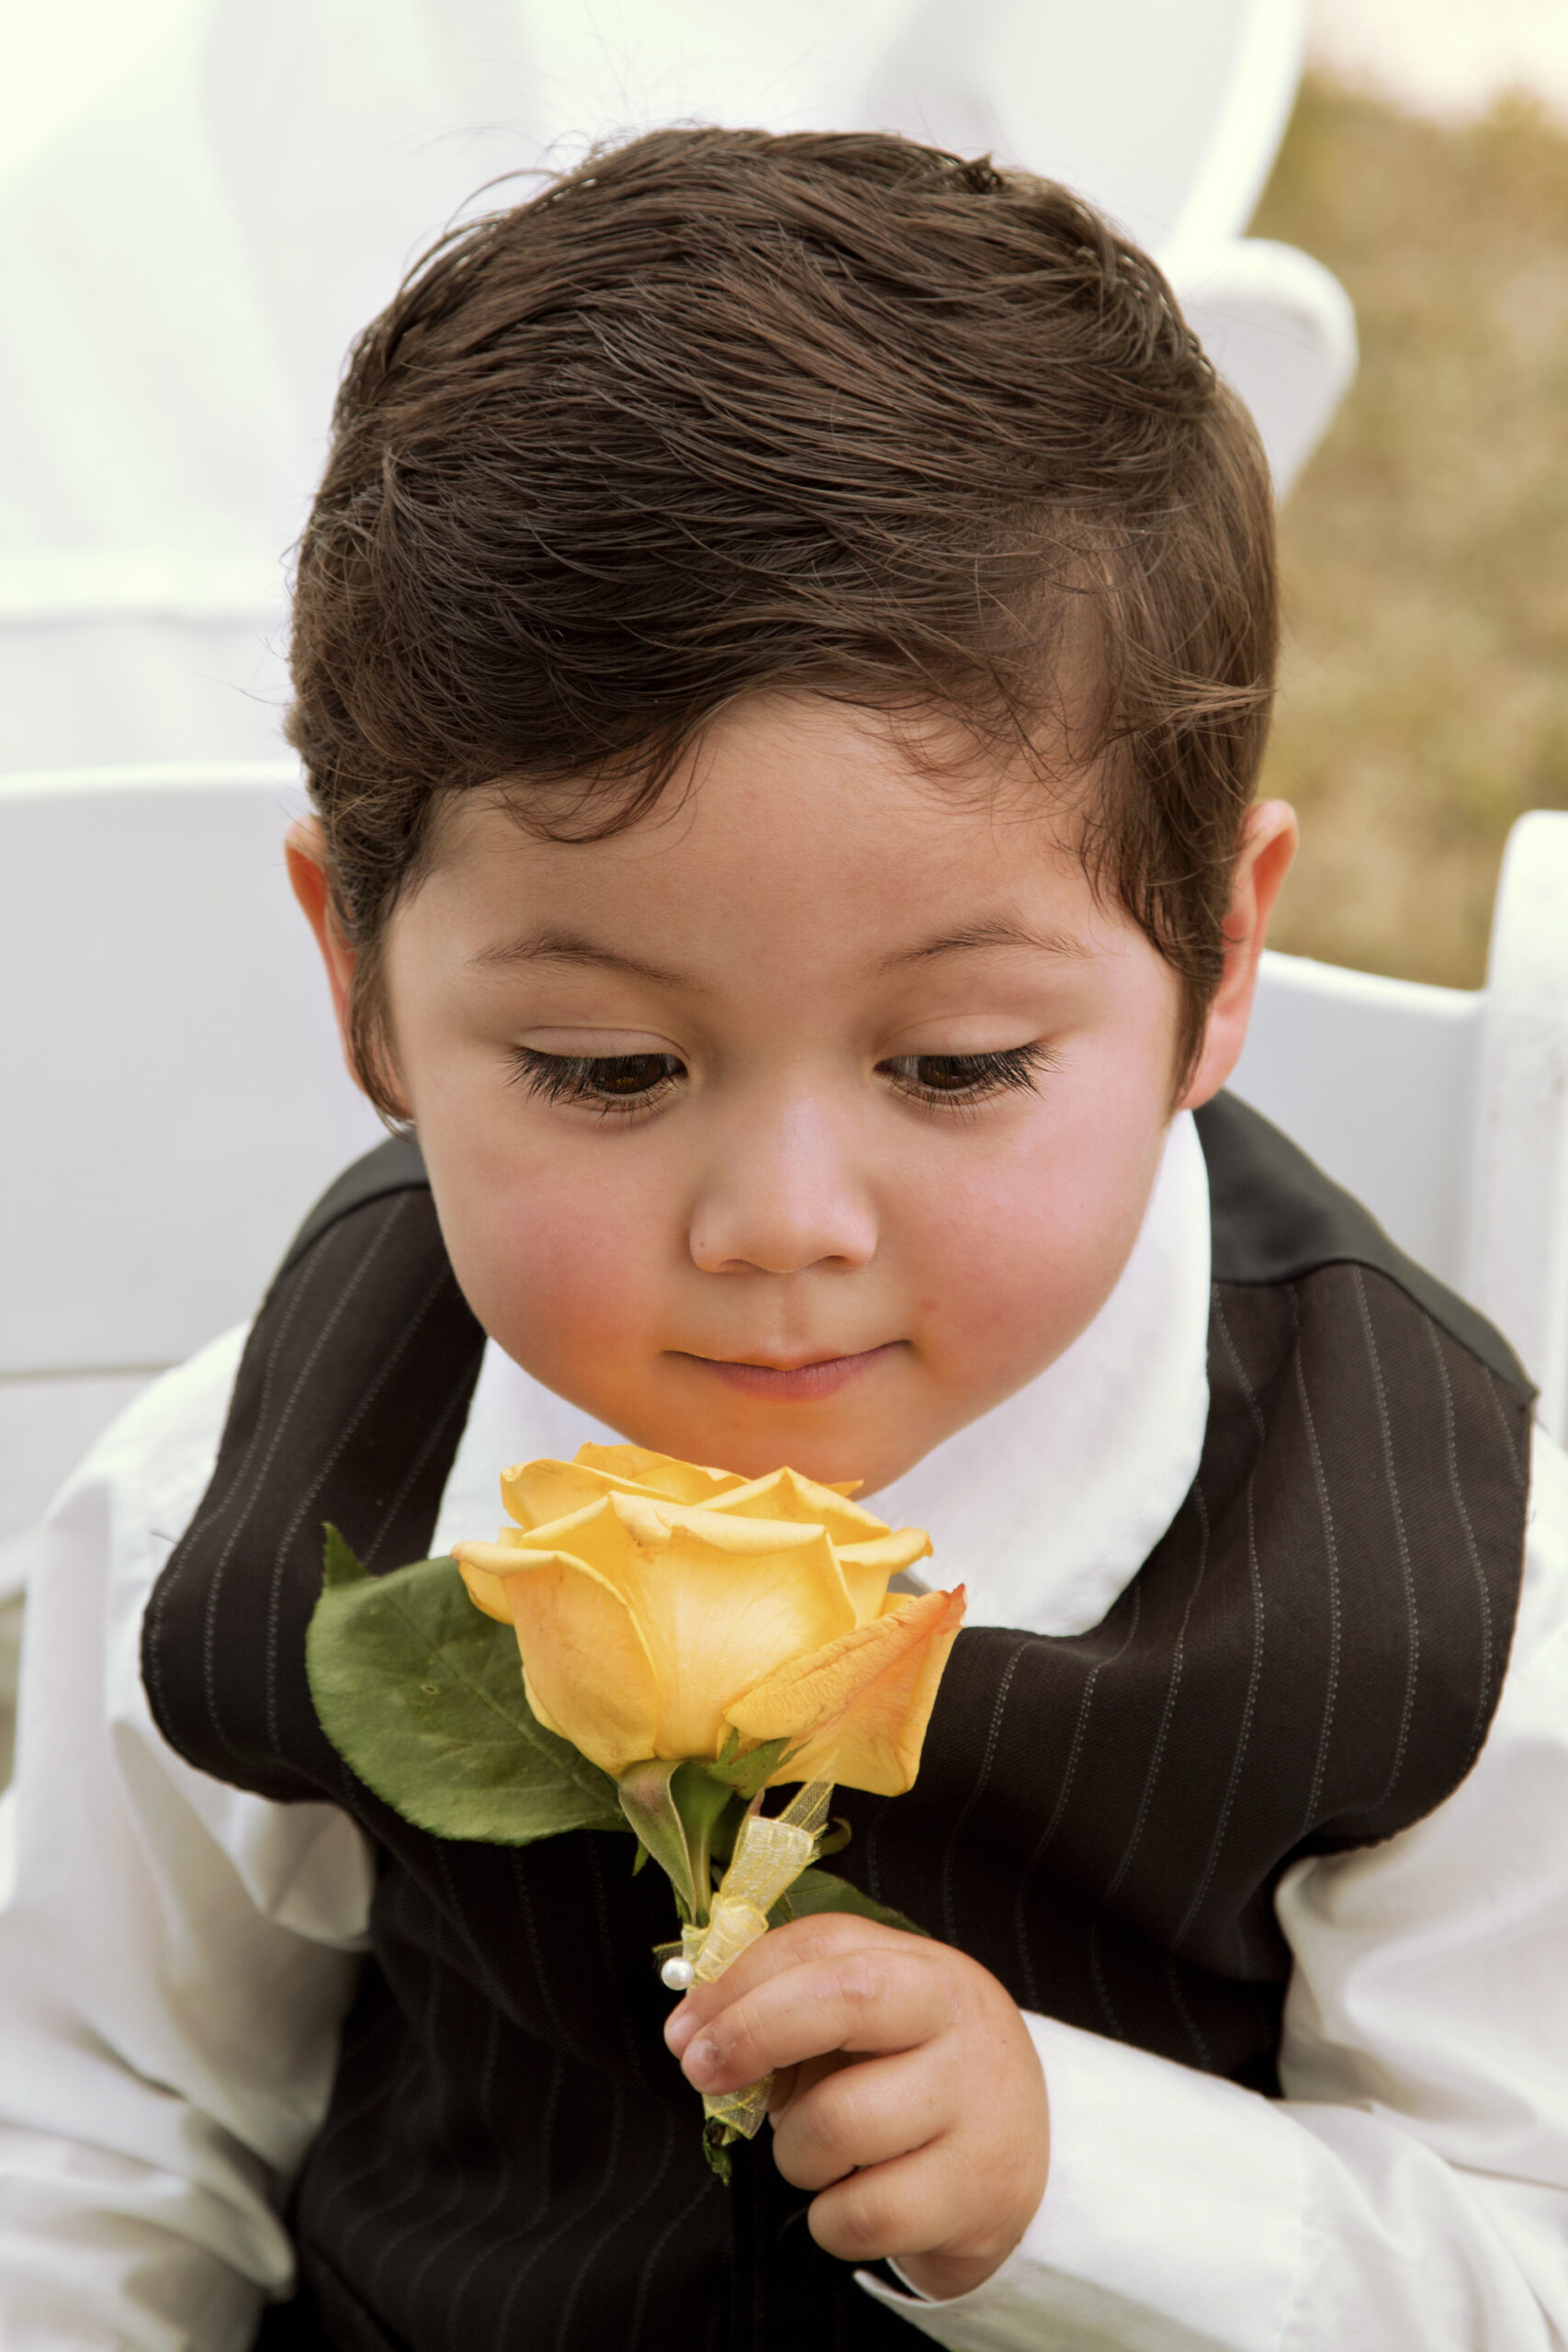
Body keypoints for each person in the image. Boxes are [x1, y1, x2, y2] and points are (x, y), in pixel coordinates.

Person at [1, 126, 1563, 2352]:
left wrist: (1079, 2166)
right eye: (607, 1069)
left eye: (950, 1066)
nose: (779, 1225)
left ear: (1214, 964)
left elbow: (1523, 2249)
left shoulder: (1435, 1588)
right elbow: (96, 2123)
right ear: (358, 977)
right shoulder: (245, 1490)